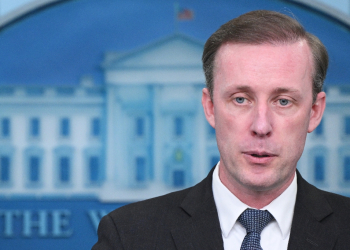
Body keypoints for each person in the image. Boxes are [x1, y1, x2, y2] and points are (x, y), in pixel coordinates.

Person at [92, 10, 350, 250]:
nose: (261, 126)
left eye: (283, 101)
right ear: (210, 107)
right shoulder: (128, 237)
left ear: (314, 112)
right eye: (240, 99)